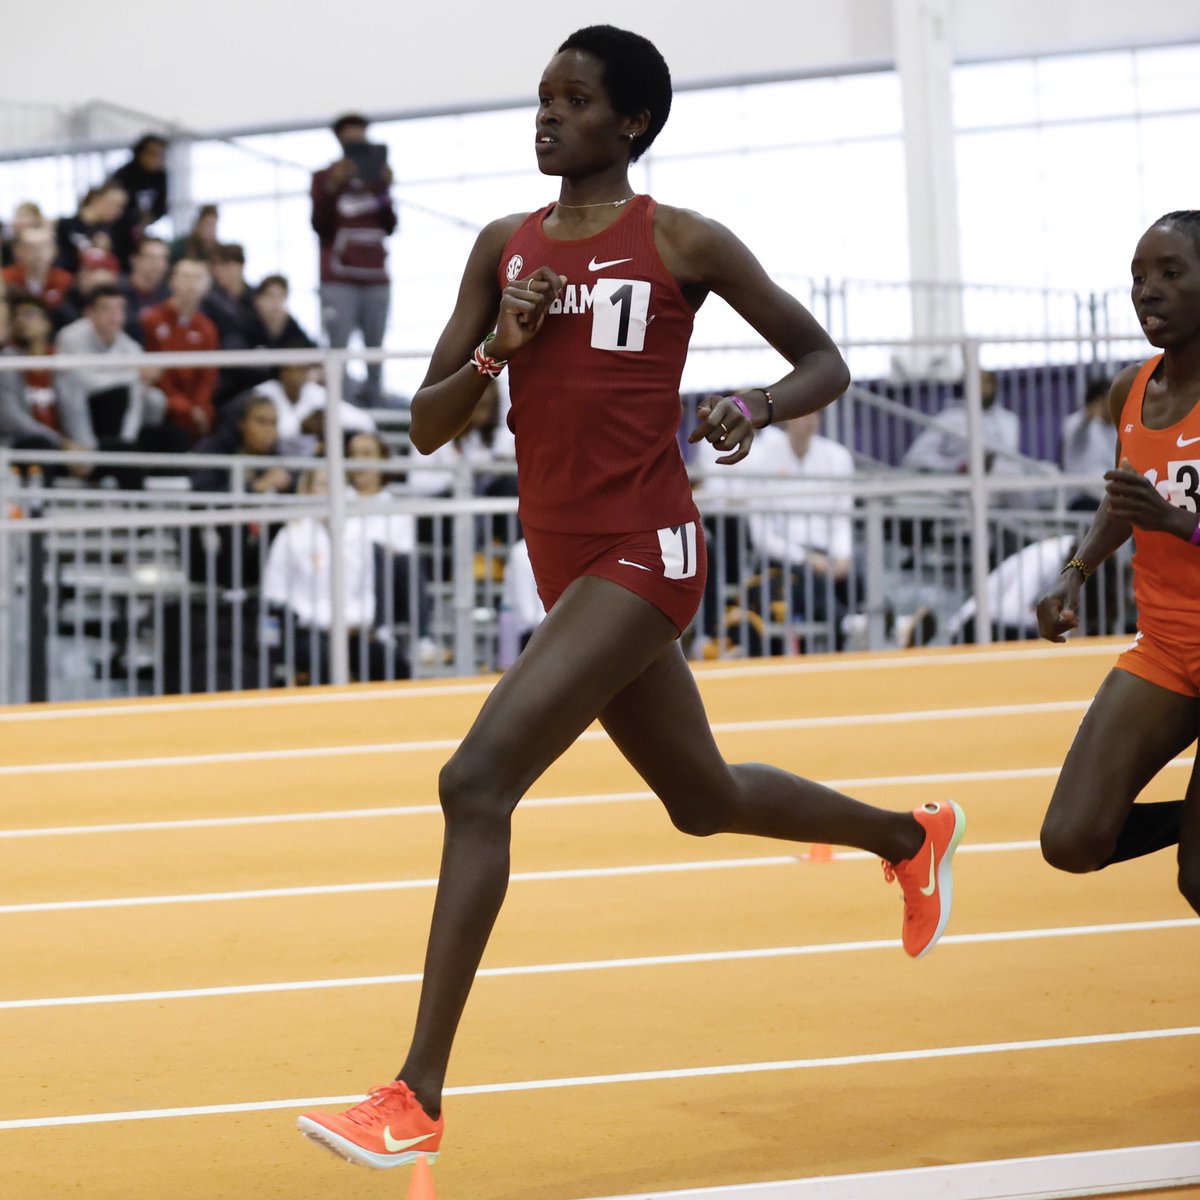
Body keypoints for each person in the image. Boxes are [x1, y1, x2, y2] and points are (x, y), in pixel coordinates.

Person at [297, 25, 966, 1171]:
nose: (548, 116)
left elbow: (824, 363)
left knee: (476, 780)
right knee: (700, 798)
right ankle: (909, 836)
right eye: (543, 97)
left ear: (632, 124)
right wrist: (501, 347)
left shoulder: (684, 240)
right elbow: (422, 423)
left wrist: (750, 408)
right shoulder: (503, 250)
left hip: (648, 549)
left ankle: (416, 1095)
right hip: (564, 561)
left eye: (575, 100)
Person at [1036, 209, 1200, 923]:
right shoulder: (1130, 391)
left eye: (1171, 273)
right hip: (1166, 650)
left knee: (1199, 881)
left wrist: (1180, 525)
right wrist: (1074, 570)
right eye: (1138, 278)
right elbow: (1124, 499)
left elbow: (1160, 510)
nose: (1148, 291)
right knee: (1071, 839)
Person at [700, 411, 862, 652]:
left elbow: (841, 518)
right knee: (805, 579)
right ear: (787, 418)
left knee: (857, 577)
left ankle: (873, 623)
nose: (809, 419)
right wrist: (805, 558)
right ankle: (852, 623)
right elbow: (762, 536)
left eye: (814, 412)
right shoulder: (761, 459)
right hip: (779, 560)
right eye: (802, 412)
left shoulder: (838, 457)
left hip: (826, 557)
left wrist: (842, 557)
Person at [311, 112, 397, 407]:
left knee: (375, 351)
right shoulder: (324, 177)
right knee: (339, 351)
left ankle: (376, 411)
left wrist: (386, 188)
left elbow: (389, 223)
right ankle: (341, 413)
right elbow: (319, 224)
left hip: (375, 276)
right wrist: (333, 186)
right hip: (338, 278)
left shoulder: (377, 180)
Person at [140, 258, 220, 444]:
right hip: (166, 406)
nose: (192, 284)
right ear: (173, 281)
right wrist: (185, 408)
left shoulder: (207, 328)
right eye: (186, 277)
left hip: (196, 408)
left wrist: (200, 406)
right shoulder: (152, 319)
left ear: (207, 285)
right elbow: (156, 373)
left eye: (198, 278)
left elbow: (208, 376)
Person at [108, 134, 169, 268]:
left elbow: (162, 207)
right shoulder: (124, 175)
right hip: (120, 233)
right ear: (140, 154)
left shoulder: (161, 177)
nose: (157, 160)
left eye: (161, 155)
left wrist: (147, 220)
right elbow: (117, 210)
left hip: (144, 228)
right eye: (152, 154)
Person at [1059, 375, 1117, 510]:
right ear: (1098, 401)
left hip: (1109, 494)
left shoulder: (1117, 428)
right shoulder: (1077, 423)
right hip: (1082, 497)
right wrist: (1088, 415)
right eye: (1110, 398)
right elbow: (1077, 431)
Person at [2, 223, 74, 327]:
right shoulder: (4, 279)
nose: (38, 253)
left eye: (44, 246)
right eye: (31, 248)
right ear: (17, 251)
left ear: (54, 250)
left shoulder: (66, 281)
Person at [55, 182, 128, 274]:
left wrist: (105, 252)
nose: (118, 211)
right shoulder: (65, 226)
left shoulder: (109, 232)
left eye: (121, 207)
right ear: (96, 199)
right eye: (114, 204)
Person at [119, 235, 171, 341]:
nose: (156, 264)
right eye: (150, 257)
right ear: (135, 260)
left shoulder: (171, 295)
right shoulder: (117, 291)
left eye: (161, 258)